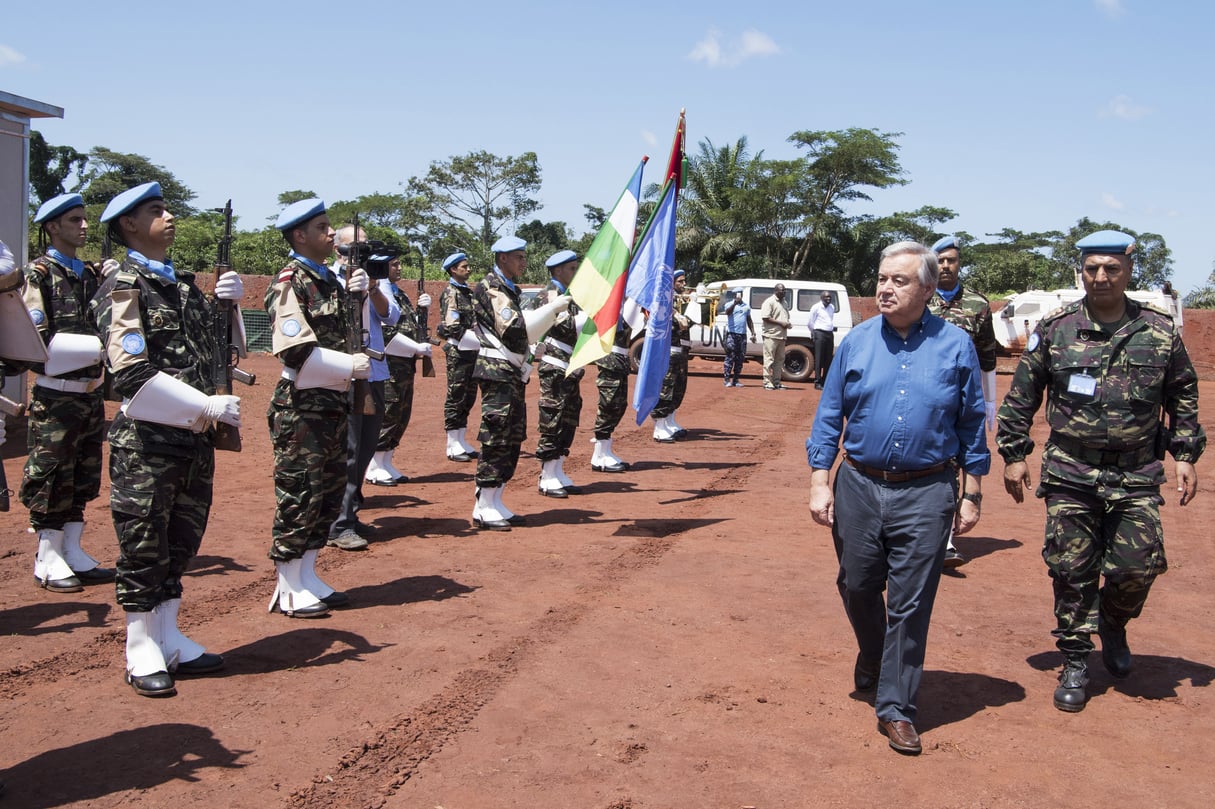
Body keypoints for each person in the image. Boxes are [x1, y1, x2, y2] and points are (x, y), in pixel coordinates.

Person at [996, 229, 1205, 713]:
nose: (1101, 277)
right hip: (1072, 470)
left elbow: (1184, 395)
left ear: (1130, 271)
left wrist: (1186, 455)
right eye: (1092, 268)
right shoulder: (1057, 328)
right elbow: (1022, 397)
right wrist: (1013, 453)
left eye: (1111, 268)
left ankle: (1113, 623)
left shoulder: (1157, 331)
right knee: (1072, 569)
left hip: (1136, 473)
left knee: (1136, 569)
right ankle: (1075, 658)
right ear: (1081, 272)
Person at [807, 241, 988, 755]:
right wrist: (820, 479)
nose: (885, 288)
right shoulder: (857, 343)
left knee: (911, 604)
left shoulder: (956, 346)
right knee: (857, 583)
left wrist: (972, 491)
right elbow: (828, 416)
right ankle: (872, 652)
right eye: (883, 278)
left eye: (899, 280)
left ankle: (897, 707)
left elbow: (973, 424)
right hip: (859, 484)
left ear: (928, 289)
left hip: (928, 490)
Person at [90, 182, 241, 696]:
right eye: (157, 210)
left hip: (192, 440)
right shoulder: (123, 285)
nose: (170, 216)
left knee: (181, 541)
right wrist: (204, 405)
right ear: (129, 224)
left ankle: (169, 635)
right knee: (144, 543)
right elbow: (129, 372)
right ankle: (139, 646)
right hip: (148, 443)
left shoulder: (181, 286)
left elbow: (226, 352)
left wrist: (232, 307)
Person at [264, 198, 371, 618]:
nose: (332, 234)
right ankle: (288, 584)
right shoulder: (291, 281)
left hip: (330, 402)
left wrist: (357, 298)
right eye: (323, 227)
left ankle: (307, 574)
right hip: (301, 406)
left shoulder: (329, 280)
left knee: (326, 494)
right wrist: (349, 366)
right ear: (299, 236)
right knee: (299, 494)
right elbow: (295, 352)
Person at [18, 194, 113, 592]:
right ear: (53, 227)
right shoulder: (38, 275)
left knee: (83, 475)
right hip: (56, 396)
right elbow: (36, 345)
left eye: (85, 219)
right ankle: (47, 555)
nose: (84, 226)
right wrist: (99, 349)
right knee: (52, 476)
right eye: (75, 220)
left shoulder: (89, 274)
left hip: (89, 394)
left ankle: (71, 549)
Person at [468, 235, 570, 529]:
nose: (524, 262)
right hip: (496, 371)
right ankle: (483, 504)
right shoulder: (491, 287)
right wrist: (551, 311)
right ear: (503, 258)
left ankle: (495, 498)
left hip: (509, 372)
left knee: (513, 437)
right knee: (497, 435)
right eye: (519, 257)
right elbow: (514, 330)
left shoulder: (509, 289)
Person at [326, 225, 399, 549]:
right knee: (349, 450)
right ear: (337, 251)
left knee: (367, 446)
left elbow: (391, 316)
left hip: (374, 370)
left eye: (364, 246)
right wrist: (347, 288)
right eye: (352, 247)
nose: (359, 253)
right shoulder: (326, 278)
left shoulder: (376, 277)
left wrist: (372, 288)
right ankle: (337, 524)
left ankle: (350, 514)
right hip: (343, 373)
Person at [930, 235, 1001, 568]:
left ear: (960, 263)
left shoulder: (978, 304)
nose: (946, 265)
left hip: (965, 401)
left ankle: (944, 541)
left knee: (961, 463)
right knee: (935, 465)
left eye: (951, 260)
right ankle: (931, 538)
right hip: (927, 399)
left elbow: (988, 355)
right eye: (940, 260)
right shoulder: (921, 298)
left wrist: (990, 402)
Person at [366, 253, 432, 486]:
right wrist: (416, 347)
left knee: (401, 414)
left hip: (405, 365)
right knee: (389, 413)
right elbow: (387, 333)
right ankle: (373, 465)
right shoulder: (380, 295)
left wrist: (422, 311)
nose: (400, 268)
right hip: (390, 363)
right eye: (394, 265)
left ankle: (386, 461)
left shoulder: (399, 293)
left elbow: (410, 324)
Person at [531, 249, 585, 497]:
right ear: (558, 271)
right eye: (572, 268)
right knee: (553, 419)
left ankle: (558, 469)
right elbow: (563, 326)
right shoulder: (549, 295)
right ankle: (547, 475)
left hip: (569, 367)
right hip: (555, 366)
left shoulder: (569, 295)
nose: (576, 272)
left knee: (569, 418)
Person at [436, 251, 481, 462]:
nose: (469, 269)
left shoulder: (467, 292)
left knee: (468, 396)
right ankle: (452, 443)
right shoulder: (451, 293)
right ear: (453, 270)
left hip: (471, 351)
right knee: (456, 396)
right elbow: (452, 325)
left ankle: (461, 439)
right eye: (464, 266)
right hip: (459, 351)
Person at [652, 269, 692, 442]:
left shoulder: (682, 301)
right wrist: (677, 315)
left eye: (684, 281)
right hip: (669, 350)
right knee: (666, 389)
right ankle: (659, 426)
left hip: (681, 351)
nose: (683, 284)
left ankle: (669, 420)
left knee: (678, 388)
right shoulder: (666, 301)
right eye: (680, 281)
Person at [589, 315, 633, 472]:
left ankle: (605, 450)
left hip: (619, 359)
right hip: (609, 359)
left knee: (619, 405)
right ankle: (599, 455)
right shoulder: (607, 299)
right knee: (608, 405)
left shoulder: (622, 303)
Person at [721, 287, 757, 387]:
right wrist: (734, 303)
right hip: (732, 334)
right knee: (730, 356)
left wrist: (753, 332)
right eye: (737, 293)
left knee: (740, 358)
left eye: (740, 293)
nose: (739, 295)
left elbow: (749, 320)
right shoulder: (729, 304)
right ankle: (726, 379)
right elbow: (728, 312)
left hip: (742, 335)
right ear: (734, 295)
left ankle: (736, 380)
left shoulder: (746, 306)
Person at [760, 282, 792, 391]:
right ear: (776, 291)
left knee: (779, 360)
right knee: (769, 359)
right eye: (782, 290)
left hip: (781, 336)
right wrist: (781, 323)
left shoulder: (785, 302)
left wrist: (787, 324)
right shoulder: (769, 302)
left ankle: (776, 382)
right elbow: (765, 317)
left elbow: (785, 316)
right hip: (771, 335)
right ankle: (767, 382)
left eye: (785, 290)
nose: (784, 292)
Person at [808, 290, 836, 389]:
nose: (828, 299)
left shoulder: (832, 307)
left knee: (828, 359)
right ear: (821, 298)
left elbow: (830, 320)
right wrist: (815, 332)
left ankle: (825, 381)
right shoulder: (816, 307)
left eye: (830, 297)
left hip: (829, 334)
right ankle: (817, 382)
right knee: (819, 358)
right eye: (826, 297)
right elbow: (810, 322)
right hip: (819, 333)